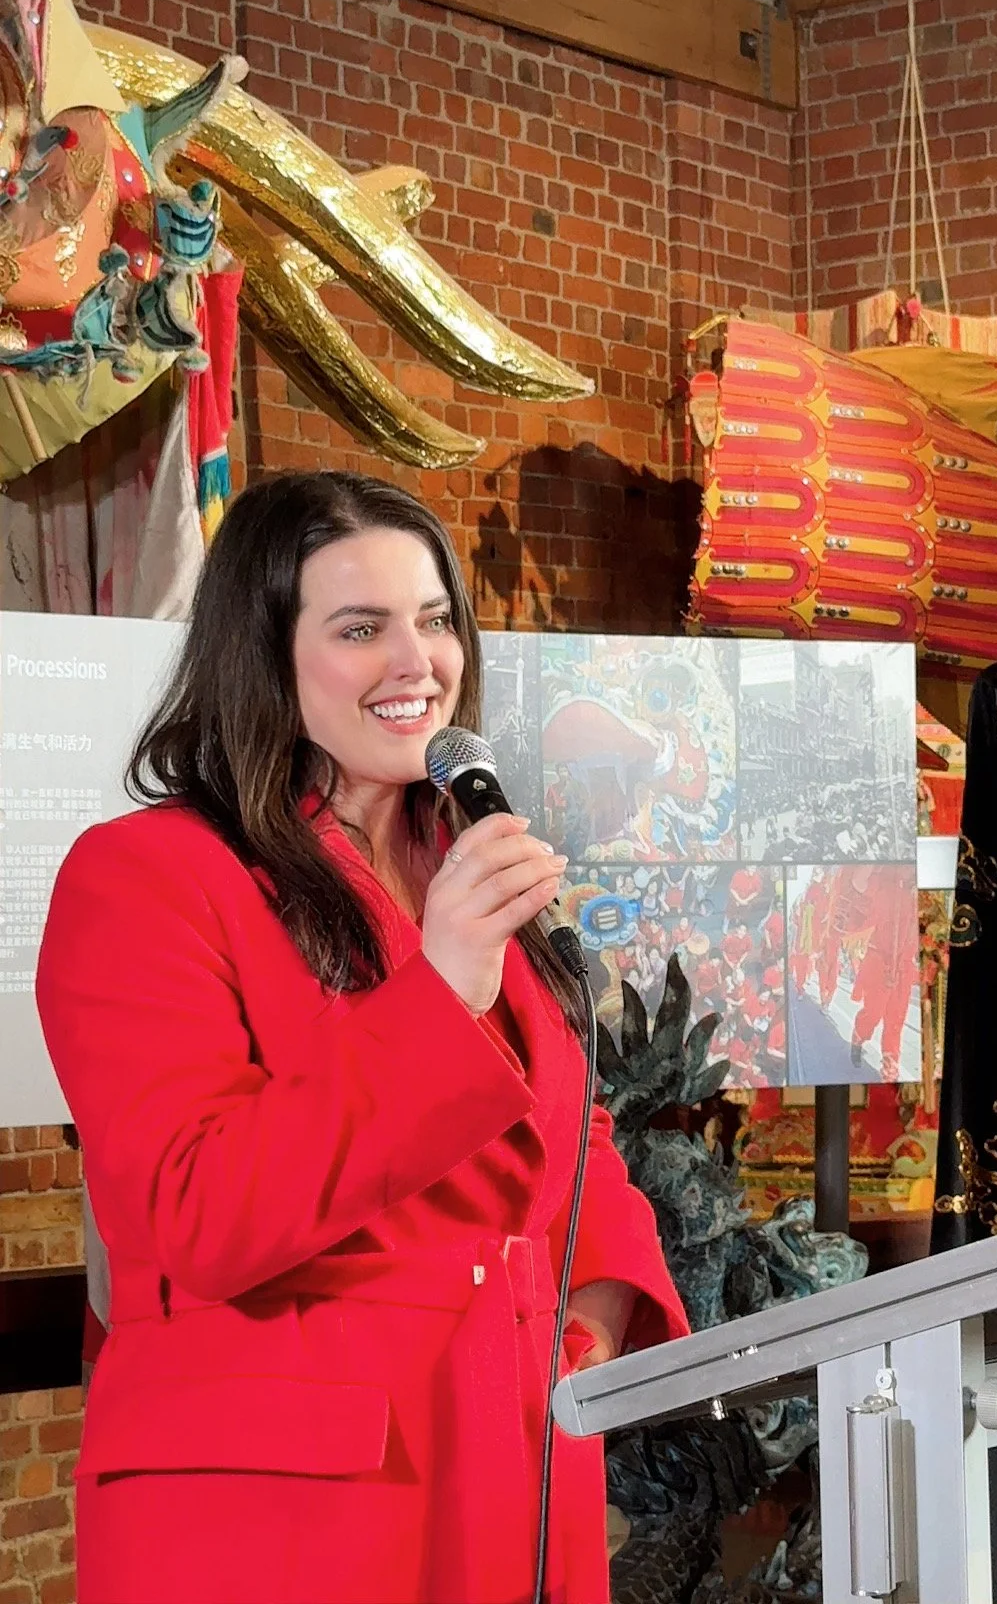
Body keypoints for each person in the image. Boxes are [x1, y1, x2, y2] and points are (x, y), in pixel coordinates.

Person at [36, 472, 688, 1604]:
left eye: (435, 619)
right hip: (286, 1509)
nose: (416, 662)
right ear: (263, 653)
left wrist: (601, 1283)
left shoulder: (462, 859)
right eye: (359, 628)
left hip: (512, 1458)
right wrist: (439, 986)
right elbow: (198, 1208)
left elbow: (564, 1123)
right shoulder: (145, 879)